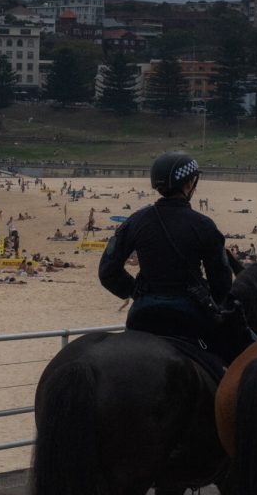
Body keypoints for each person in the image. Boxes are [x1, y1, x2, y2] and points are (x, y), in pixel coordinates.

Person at [98, 151, 236, 358]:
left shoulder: (135, 221)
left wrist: (136, 291)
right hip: (190, 314)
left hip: (142, 314)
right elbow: (222, 282)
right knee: (223, 365)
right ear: (189, 184)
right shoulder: (204, 225)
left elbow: (107, 271)